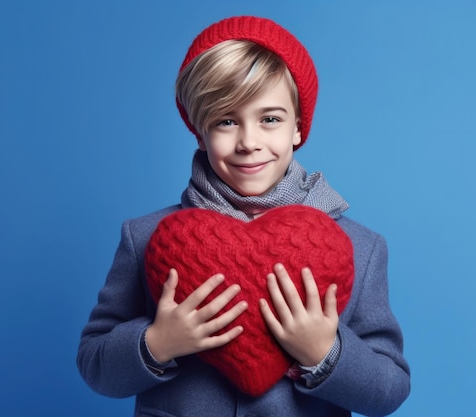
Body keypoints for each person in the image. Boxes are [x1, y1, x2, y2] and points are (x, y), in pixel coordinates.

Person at [77, 15, 410, 417]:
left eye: (270, 119)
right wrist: (157, 343)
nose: (249, 142)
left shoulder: (361, 247)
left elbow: (390, 390)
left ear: (298, 128)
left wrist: (326, 352)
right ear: (199, 132)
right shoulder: (146, 237)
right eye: (226, 121)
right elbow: (93, 363)